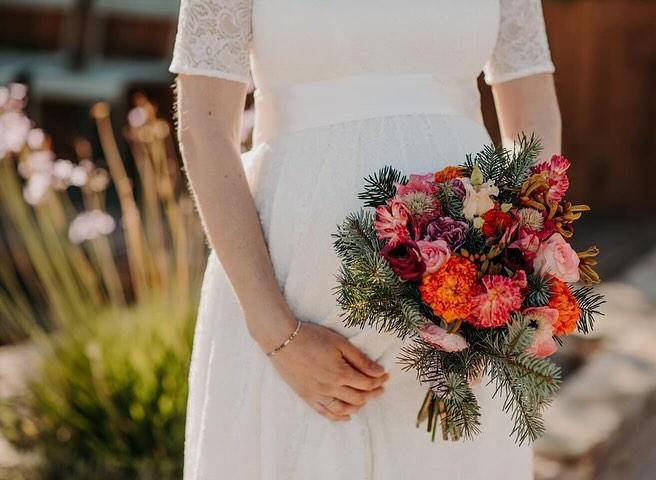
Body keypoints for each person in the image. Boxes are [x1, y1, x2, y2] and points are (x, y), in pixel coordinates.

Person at [171, 0, 561, 478]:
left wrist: (516, 272)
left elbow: (533, 108)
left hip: (469, 323)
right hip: (292, 310)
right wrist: (276, 333)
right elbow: (205, 127)